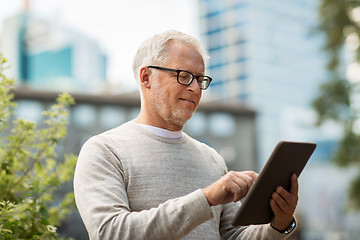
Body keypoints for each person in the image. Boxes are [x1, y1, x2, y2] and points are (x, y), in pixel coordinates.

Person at [74, 30, 298, 239]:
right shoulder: (104, 150)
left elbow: (232, 236)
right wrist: (206, 198)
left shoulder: (211, 158)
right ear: (146, 77)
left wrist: (279, 225)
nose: (195, 88)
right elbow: (110, 232)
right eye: (184, 75)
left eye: (200, 79)